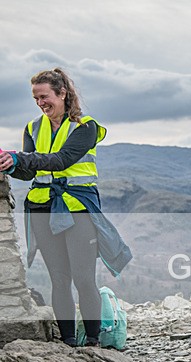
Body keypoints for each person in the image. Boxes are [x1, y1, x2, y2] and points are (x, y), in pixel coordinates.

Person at [0, 68, 131, 347]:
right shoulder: (33, 127)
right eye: (35, 98)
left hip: (76, 207)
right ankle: (69, 342)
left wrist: (18, 157)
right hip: (42, 208)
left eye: (44, 96)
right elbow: (28, 172)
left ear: (62, 93)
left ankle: (93, 342)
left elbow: (61, 160)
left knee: (84, 278)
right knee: (59, 279)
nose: (40, 103)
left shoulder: (85, 127)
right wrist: (10, 165)